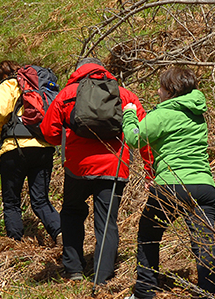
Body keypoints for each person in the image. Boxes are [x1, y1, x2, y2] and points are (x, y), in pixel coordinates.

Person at [40, 57, 154, 284]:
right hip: (114, 167)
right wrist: (149, 170)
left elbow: (48, 133)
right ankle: (102, 277)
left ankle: (74, 269)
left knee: (71, 213)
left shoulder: (67, 94)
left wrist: (68, 136)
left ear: (78, 71)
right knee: (106, 221)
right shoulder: (124, 95)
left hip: (78, 166)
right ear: (103, 70)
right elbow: (143, 135)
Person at [119, 66, 215, 299]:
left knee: (148, 234)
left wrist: (129, 114)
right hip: (205, 186)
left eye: (161, 87)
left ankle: (145, 293)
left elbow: (134, 137)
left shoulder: (164, 113)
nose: (158, 91)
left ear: (170, 91)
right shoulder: (197, 113)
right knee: (203, 244)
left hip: (172, 186)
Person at [0, 60, 62, 243]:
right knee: (41, 200)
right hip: (44, 147)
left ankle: (14, 243)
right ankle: (61, 234)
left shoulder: (8, 84)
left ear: (1, 75)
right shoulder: (38, 87)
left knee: (11, 202)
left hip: (15, 148)